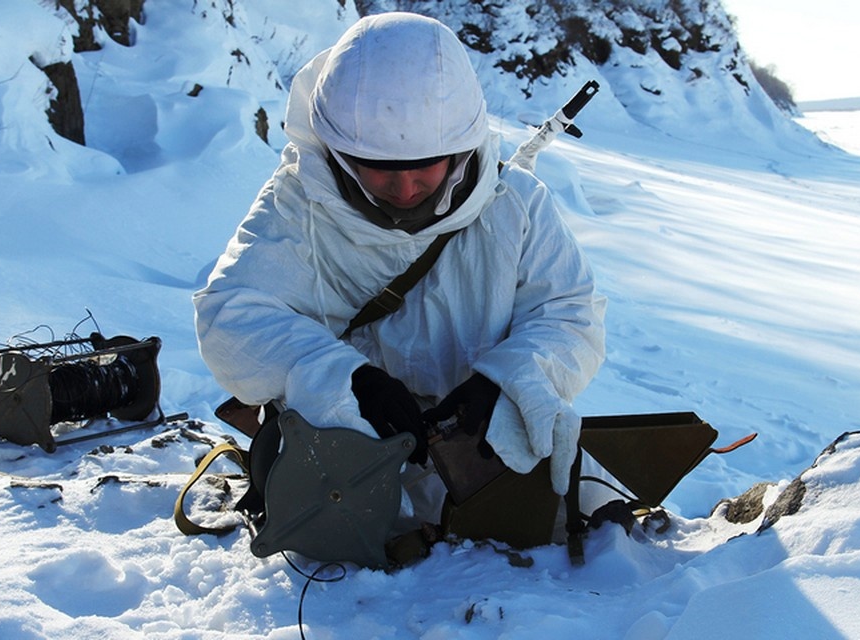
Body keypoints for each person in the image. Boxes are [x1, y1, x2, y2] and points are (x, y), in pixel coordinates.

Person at [193, 12, 606, 538]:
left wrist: (511, 377)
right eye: (382, 167)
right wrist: (346, 380)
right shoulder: (298, 207)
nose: (407, 188)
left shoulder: (515, 207)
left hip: (493, 458)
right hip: (345, 470)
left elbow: (569, 313)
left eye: (426, 165)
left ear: (459, 150)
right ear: (342, 154)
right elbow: (230, 319)